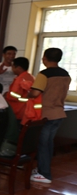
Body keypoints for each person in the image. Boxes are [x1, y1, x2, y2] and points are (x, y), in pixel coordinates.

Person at [27, 48, 71, 184]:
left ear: (44, 58)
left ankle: (44, 174)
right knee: (48, 143)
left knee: (43, 144)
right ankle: (42, 169)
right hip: (59, 113)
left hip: (46, 114)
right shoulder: (65, 74)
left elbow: (35, 93)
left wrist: (27, 93)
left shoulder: (44, 74)